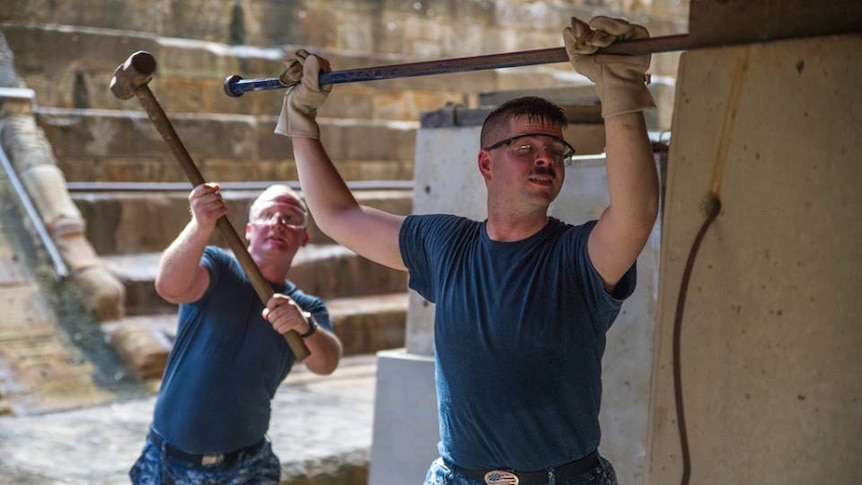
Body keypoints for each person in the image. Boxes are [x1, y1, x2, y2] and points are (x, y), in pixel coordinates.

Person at [275, 15, 658, 485]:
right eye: (526, 146)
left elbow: (635, 214)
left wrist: (619, 92)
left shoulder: (577, 257)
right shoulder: (445, 244)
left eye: (558, 151)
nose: (546, 157)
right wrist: (301, 122)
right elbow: (338, 217)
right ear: (485, 163)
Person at [129, 183, 343, 484]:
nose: (278, 223)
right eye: (267, 215)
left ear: (304, 238)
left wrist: (304, 325)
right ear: (249, 230)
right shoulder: (218, 267)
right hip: (167, 460)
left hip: (246, 468)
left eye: (290, 218)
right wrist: (200, 224)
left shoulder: (304, 307)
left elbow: (326, 362)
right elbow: (169, 286)